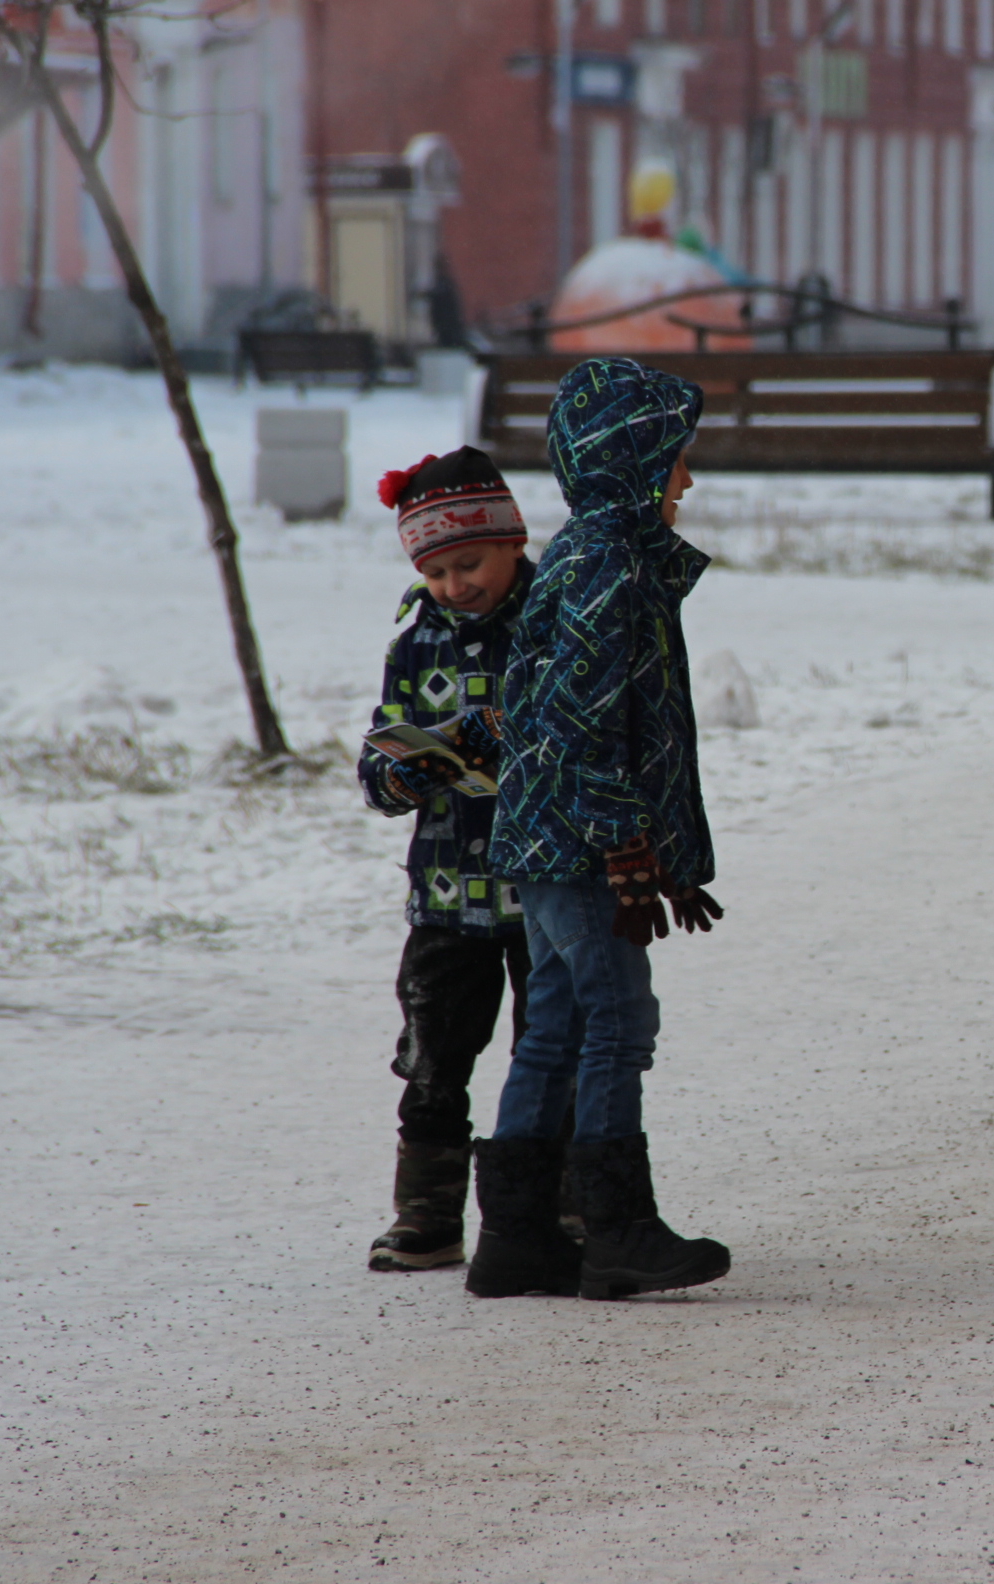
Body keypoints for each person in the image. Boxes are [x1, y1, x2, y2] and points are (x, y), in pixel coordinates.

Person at [465, 357, 731, 1302]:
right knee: (616, 1020)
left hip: (547, 837)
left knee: (556, 1024)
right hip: (577, 843)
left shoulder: (598, 555)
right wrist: (625, 848)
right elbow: (582, 721)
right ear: (632, 460)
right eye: (676, 460)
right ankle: (616, 1228)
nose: (687, 481)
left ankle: (518, 1238)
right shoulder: (608, 564)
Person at [355, 448, 535, 1273]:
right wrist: (401, 771)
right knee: (433, 1058)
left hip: (543, 889)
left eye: (470, 563)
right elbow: (375, 762)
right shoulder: (415, 642)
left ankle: (544, 1208)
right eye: (436, 571)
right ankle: (425, 1215)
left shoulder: (549, 621)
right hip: (445, 893)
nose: (456, 586)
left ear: (513, 542)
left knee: (548, 1051)